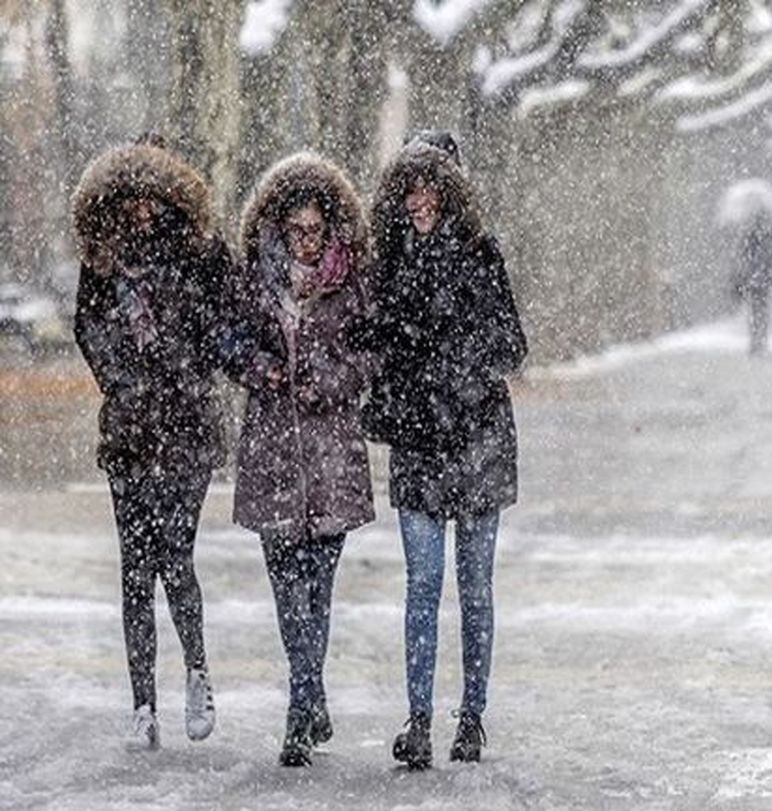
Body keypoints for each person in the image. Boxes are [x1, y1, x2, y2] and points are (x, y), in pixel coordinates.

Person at [354, 140, 527, 769]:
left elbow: (512, 343)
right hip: (419, 444)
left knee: (474, 589)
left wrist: (456, 363)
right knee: (423, 583)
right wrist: (384, 349)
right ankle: (419, 720)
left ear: (451, 190)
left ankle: (472, 719)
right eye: (409, 188)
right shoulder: (389, 261)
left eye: (430, 187)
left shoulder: (482, 255)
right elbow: (373, 340)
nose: (420, 200)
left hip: (478, 441)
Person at [71, 138, 229, 749]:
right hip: (130, 433)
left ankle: (197, 670)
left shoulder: (198, 252)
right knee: (135, 571)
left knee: (174, 556)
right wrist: (122, 380)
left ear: (170, 193)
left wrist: (190, 369)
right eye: (131, 195)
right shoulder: (104, 258)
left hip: (186, 430)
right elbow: (89, 325)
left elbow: (222, 321)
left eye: (151, 193)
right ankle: (144, 705)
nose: (141, 207)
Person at [223, 153, 374, 767]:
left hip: (331, 455)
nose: (305, 242)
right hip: (273, 454)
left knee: (318, 589)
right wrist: (263, 370)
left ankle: (304, 699)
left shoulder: (354, 281)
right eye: (294, 231)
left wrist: (332, 381)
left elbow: (373, 355)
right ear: (277, 228)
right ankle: (304, 700)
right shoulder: (253, 280)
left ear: (330, 228)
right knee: (288, 591)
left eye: (314, 230)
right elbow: (227, 343)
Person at [732, 209, 772, 355]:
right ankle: (761, 341)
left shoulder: (749, 235)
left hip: (753, 279)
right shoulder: (771, 235)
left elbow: (742, 255)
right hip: (765, 279)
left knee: (754, 310)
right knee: (763, 311)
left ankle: (755, 342)